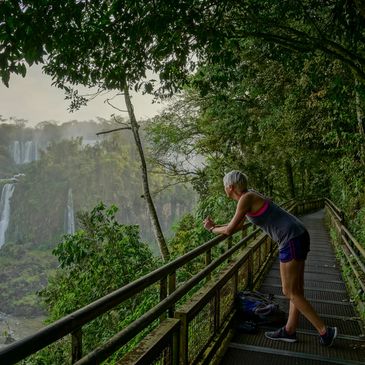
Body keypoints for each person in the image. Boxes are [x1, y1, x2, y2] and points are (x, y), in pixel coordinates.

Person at [203, 170, 337, 346]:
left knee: (289, 291)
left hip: (290, 239)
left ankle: (325, 331)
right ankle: (289, 330)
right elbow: (237, 225)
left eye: (224, 186)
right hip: (298, 233)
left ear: (230, 187)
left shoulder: (246, 198)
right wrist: (216, 226)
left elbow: (229, 231)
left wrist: (212, 230)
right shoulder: (249, 197)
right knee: (297, 289)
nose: (224, 189)